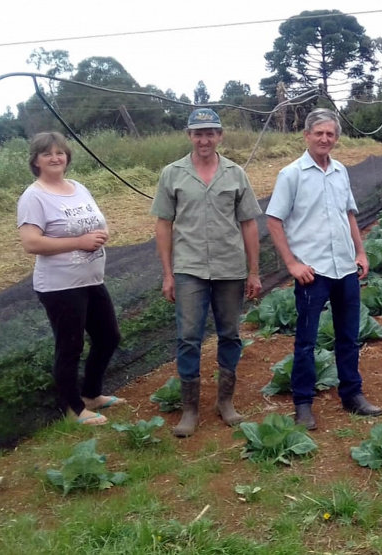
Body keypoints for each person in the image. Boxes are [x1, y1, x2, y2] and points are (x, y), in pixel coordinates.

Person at [266, 108, 382, 430]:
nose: (324, 139)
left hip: (344, 267)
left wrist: (360, 252)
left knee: (348, 336)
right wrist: (292, 263)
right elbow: (274, 219)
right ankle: (303, 404)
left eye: (330, 134)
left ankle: (352, 395)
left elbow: (349, 215)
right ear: (306, 136)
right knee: (306, 341)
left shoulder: (340, 171)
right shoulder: (291, 174)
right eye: (318, 133)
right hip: (312, 272)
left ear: (336, 138)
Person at [151, 108, 262, 437]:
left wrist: (254, 271)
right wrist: (168, 274)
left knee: (230, 334)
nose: (204, 139)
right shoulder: (172, 174)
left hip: (230, 268)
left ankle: (225, 402)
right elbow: (163, 225)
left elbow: (249, 224)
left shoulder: (235, 174)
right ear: (189, 136)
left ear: (220, 135)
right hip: (190, 269)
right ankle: (190, 409)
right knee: (188, 338)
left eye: (211, 133)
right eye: (198, 133)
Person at [17, 132, 124, 426]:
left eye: (60, 153)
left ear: (67, 157)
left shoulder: (78, 188)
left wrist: (101, 235)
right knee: (70, 346)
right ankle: (73, 408)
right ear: (36, 161)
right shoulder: (34, 196)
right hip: (60, 286)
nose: (55, 158)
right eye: (47, 154)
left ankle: (91, 394)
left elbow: (94, 223)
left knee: (108, 337)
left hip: (90, 278)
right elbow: (31, 243)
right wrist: (80, 242)